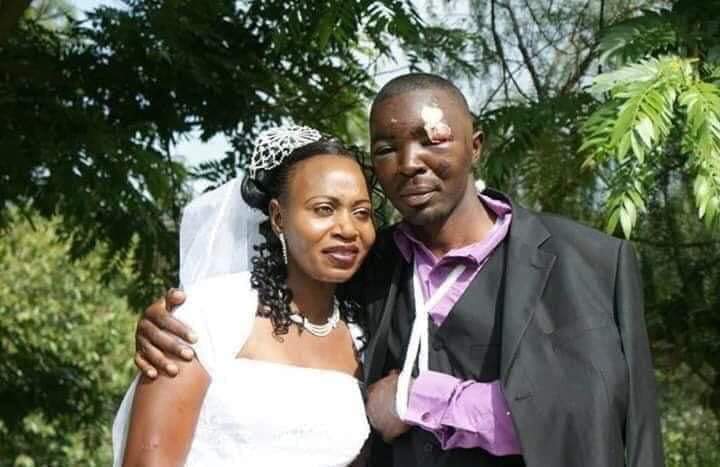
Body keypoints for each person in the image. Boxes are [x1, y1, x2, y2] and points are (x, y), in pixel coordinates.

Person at [133, 73, 665, 467]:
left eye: (432, 139)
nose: (409, 162)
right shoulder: (364, 268)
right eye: (387, 148)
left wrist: (417, 399)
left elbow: (601, 419)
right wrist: (169, 321)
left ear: (475, 146)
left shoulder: (589, 263)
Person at [112, 127, 376, 466]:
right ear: (278, 217)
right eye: (324, 209)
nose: (348, 229)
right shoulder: (210, 314)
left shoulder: (363, 336)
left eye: (361, 213)